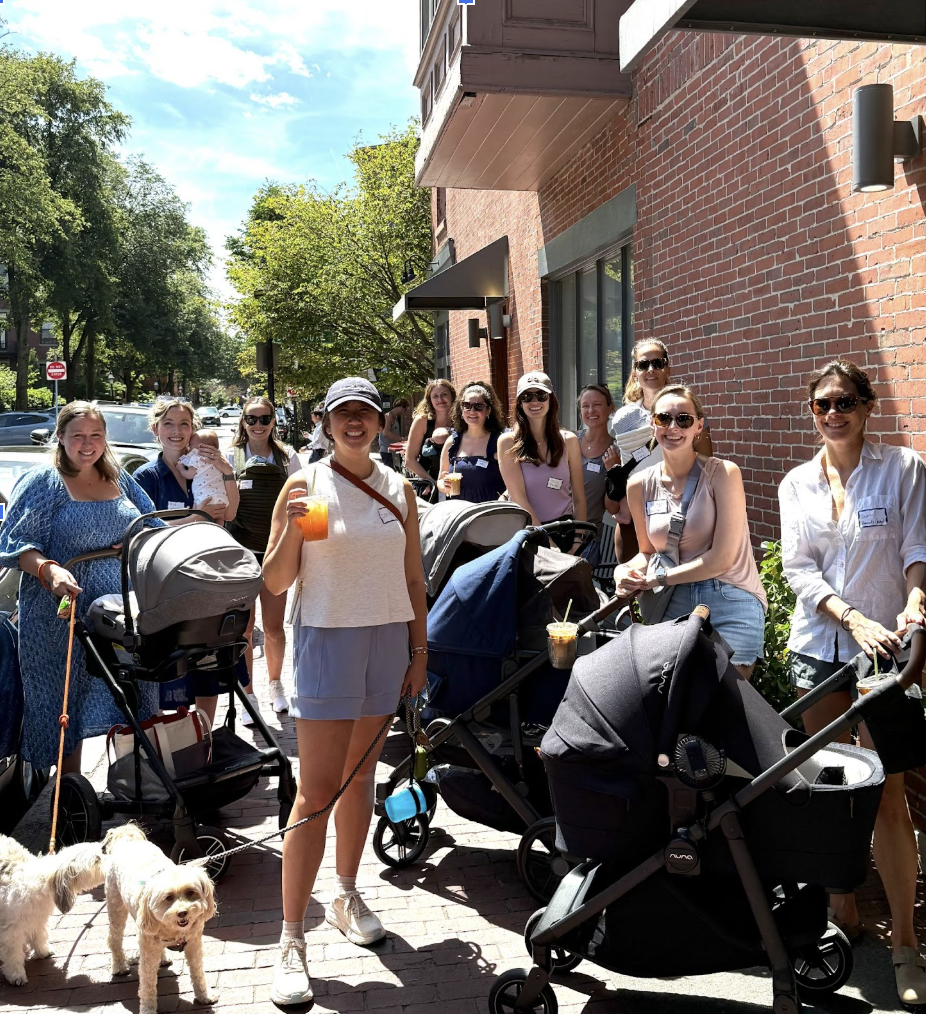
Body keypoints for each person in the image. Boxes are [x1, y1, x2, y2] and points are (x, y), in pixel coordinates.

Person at [262, 376, 427, 1006]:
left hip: (387, 640)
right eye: (342, 414)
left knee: (360, 781)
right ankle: (290, 939)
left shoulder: (400, 487)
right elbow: (274, 583)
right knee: (315, 790)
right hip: (327, 638)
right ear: (327, 422)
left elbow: (412, 577)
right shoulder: (303, 484)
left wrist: (419, 648)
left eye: (364, 413)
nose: (354, 423)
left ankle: (346, 892)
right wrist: (291, 531)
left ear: (382, 422)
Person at [778, 359, 926, 1006]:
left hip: (884, 654)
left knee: (889, 795)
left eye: (843, 402)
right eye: (821, 405)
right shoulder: (795, 484)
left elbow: (919, 551)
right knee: (832, 788)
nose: (832, 414)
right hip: (820, 647)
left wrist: (914, 606)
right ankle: (843, 911)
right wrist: (852, 617)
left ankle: (906, 944)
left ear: (867, 407)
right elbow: (800, 571)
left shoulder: (904, 470)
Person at [0, 402, 163, 774]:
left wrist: (137, 538)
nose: (88, 444)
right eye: (78, 436)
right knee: (64, 701)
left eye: (96, 435)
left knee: (130, 691)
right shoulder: (44, 481)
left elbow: (152, 522)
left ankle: (135, 784)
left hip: (120, 609)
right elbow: (18, 543)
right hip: (60, 612)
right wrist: (49, 571)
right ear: (60, 437)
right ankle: (69, 791)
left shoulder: (119, 476)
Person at [614, 384, 766, 679]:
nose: (673, 427)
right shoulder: (638, 485)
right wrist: (624, 572)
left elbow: (721, 559)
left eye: (683, 419)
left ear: (698, 426)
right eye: (663, 419)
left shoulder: (722, 473)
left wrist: (658, 577)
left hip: (728, 596)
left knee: (723, 702)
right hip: (674, 602)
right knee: (675, 705)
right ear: (652, 424)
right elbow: (647, 553)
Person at [134, 399, 239, 723]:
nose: (177, 431)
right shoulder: (147, 476)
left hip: (206, 579)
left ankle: (204, 735)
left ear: (193, 429)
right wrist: (194, 518)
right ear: (155, 430)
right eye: (168, 424)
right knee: (169, 671)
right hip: (165, 589)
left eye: (184, 424)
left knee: (208, 663)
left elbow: (231, 512)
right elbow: (139, 529)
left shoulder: (209, 467)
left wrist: (228, 472)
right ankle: (172, 745)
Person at [226, 396, 302, 723]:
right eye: (251, 418)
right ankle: (247, 693)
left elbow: (304, 498)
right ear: (243, 422)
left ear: (274, 421)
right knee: (242, 630)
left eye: (264, 418)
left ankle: (275, 685)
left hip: (275, 553)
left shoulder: (289, 457)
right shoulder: (231, 457)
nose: (258, 424)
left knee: (273, 628)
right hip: (239, 554)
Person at [609, 340, 713, 561]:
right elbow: (627, 469)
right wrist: (624, 502)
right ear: (635, 371)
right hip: (636, 513)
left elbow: (706, 463)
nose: (650, 370)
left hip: (682, 511)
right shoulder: (625, 418)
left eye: (657, 363)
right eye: (643, 364)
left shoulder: (687, 409)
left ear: (667, 367)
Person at [498, 371, 586, 552]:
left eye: (541, 395)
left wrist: (578, 540)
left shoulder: (569, 440)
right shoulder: (507, 442)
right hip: (528, 533)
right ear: (519, 403)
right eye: (527, 396)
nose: (534, 401)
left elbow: (578, 496)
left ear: (551, 400)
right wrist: (546, 541)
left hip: (565, 531)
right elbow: (518, 497)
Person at [436, 381, 506, 503]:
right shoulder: (452, 442)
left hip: (491, 513)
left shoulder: (499, 442)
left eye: (478, 406)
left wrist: (503, 499)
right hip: (460, 513)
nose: (472, 411)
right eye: (467, 406)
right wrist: (445, 485)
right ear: (461, 410)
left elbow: (515, 482)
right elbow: (441, 479)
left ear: (488, 410)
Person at [577, 384, 621, 559]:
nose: (591, 410)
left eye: (597, 404)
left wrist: (613, 472)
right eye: (585, 406)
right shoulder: (570, 441)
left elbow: (613, 508)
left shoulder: (616, 451)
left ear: (610, 408)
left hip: (587, 540)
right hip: (556, 533)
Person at [405, 379, 456, 494]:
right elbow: (409, 460)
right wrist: (432, 482)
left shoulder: (462, 421)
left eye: (444, 395)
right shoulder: (422, 421)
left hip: (455, 482)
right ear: (430, 400)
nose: (440, 400)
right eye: (435, 396)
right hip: (428, 484)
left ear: (452, 396)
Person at [178, 430, 229, 508]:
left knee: (196, 512)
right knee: (219, 517)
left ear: (200, 447)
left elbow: (189, 474)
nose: (188, 449)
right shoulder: (219, 460)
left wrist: (180, 468)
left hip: (204, 497)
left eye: (190, 445)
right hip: (221, 497)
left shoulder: (198, 459)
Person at [377, 398, 410, 470]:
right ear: (401, 407)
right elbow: (386, 433)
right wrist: (402, 439)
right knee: (390, 473)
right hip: (387, 451)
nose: (404, 413)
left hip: (392, 451)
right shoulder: (389, 417)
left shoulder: (394, 417)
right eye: (405, 410)